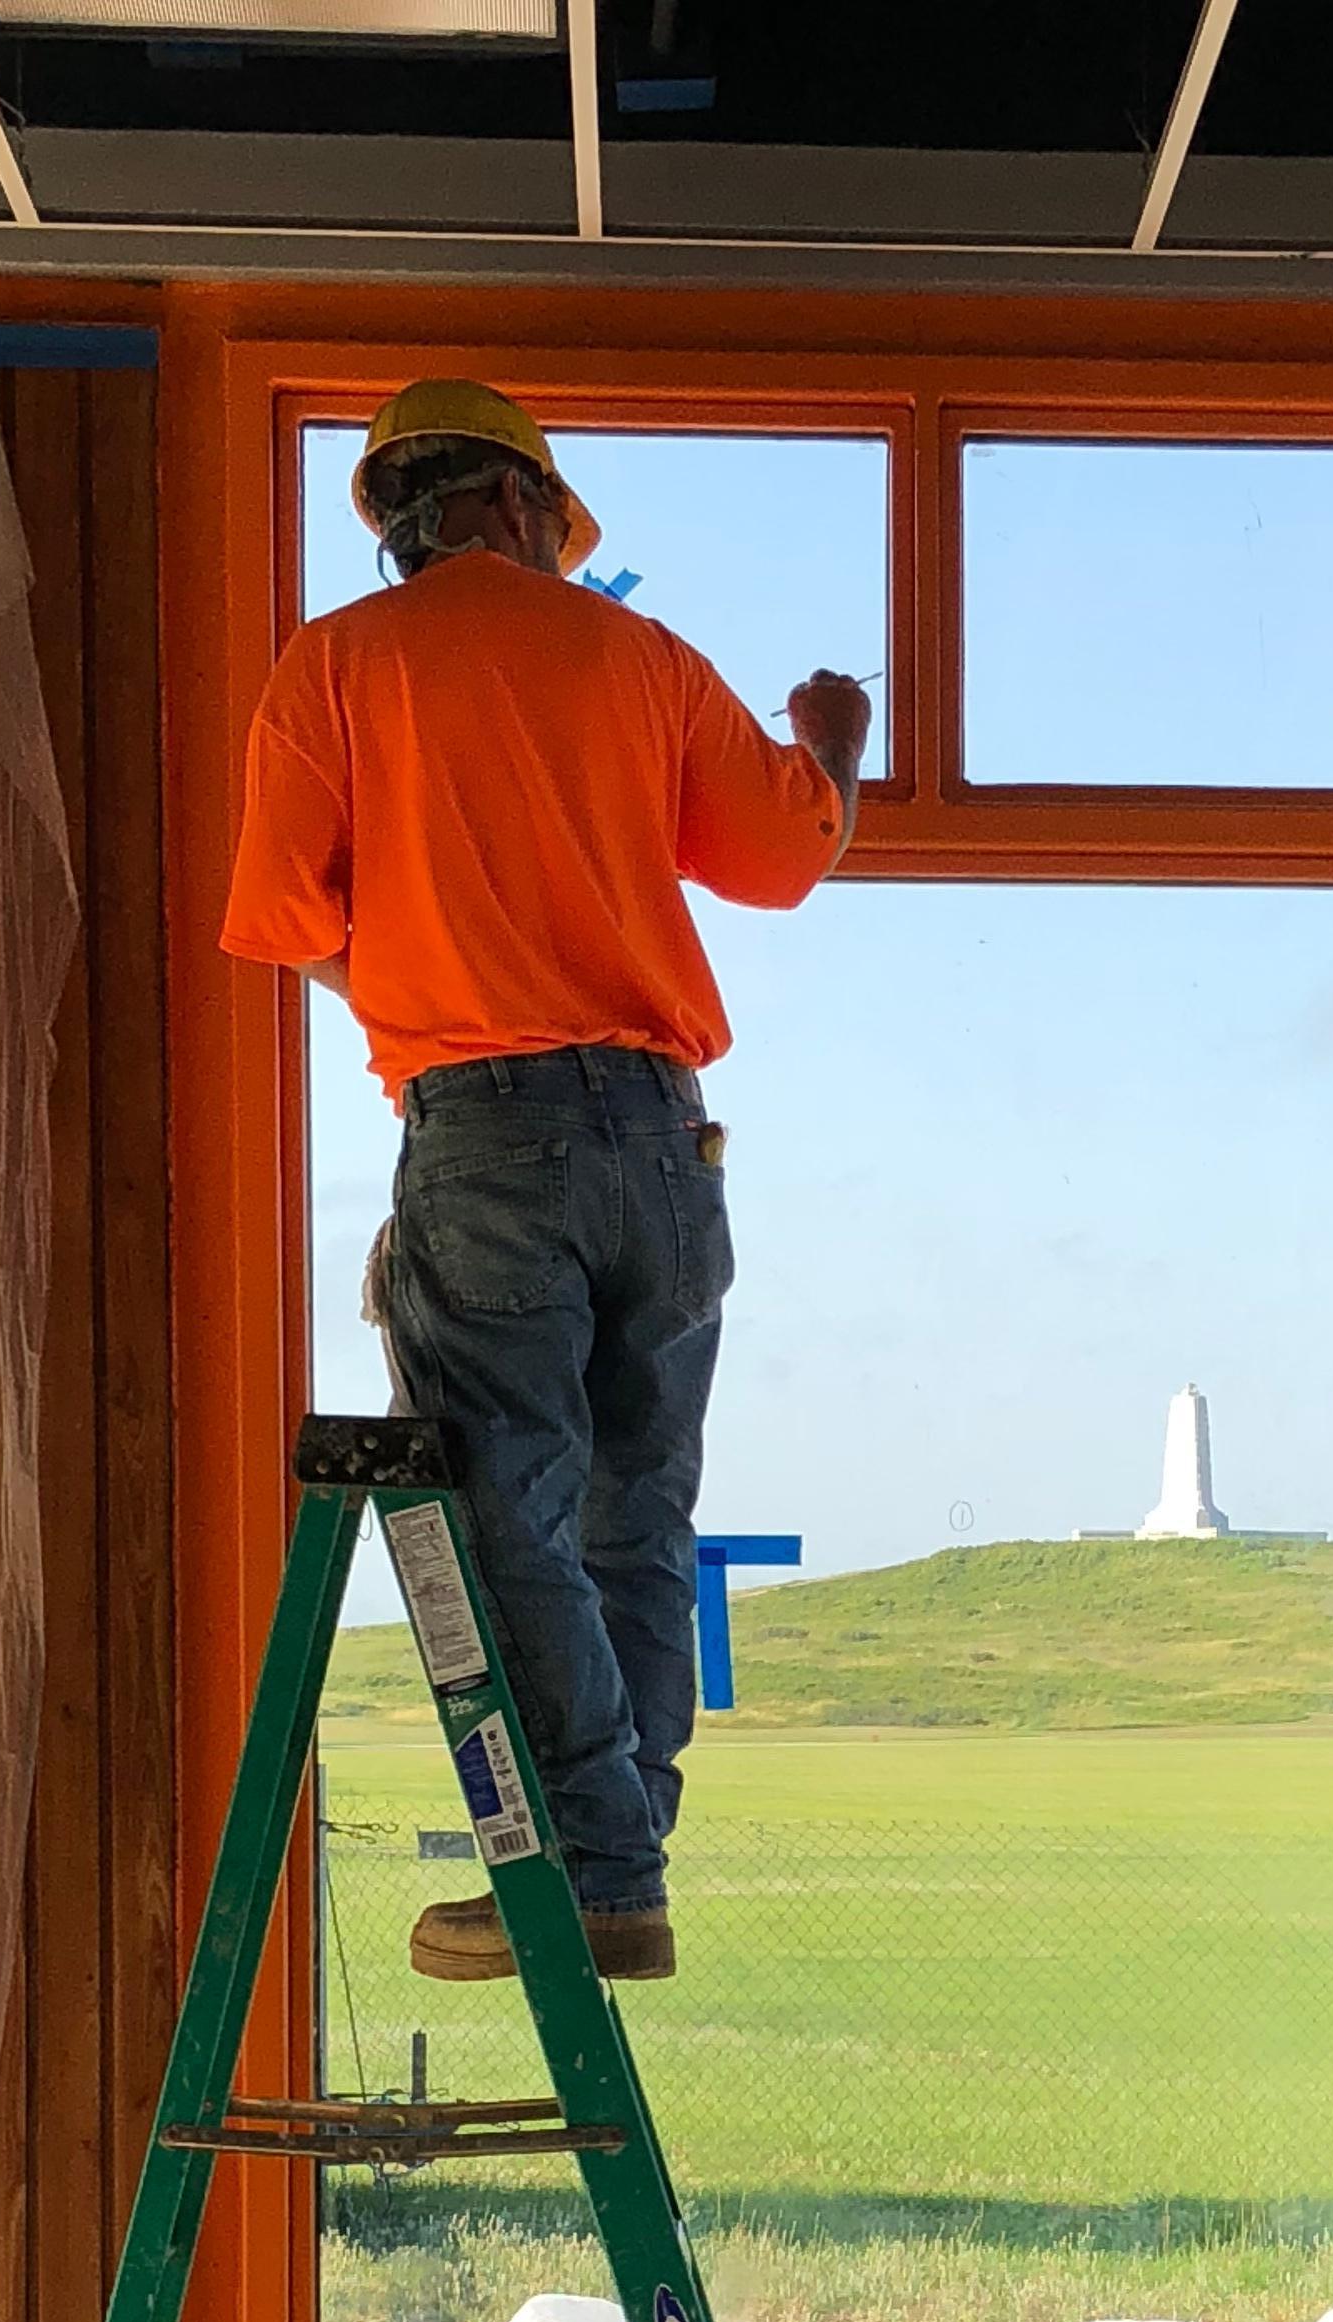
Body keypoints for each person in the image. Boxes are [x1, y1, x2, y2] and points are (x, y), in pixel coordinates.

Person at [221, 379, 869, 1982]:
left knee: (509, 1517)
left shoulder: (339, 667)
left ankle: (594, 1868)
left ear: (402, 525)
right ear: (523, 508)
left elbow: (285, 921)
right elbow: (785, 860)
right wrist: (833, 749)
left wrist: (425, 946)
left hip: (490, 1136)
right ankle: (621, 1854)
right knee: (633, 1511)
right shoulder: (635, 660)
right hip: (665, 1140)